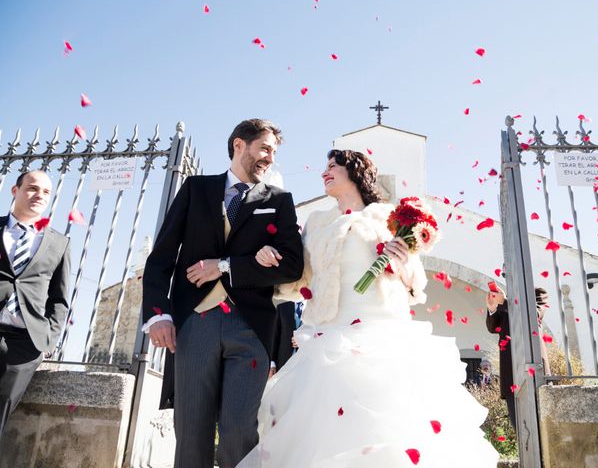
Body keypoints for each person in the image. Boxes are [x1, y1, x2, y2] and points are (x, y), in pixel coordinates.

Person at [237, 149, 498, 467]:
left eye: (333, 166)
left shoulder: (389, 219)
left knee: (388, 426)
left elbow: (416, 286)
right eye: (324, 167)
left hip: (381, 330)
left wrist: (401, 263)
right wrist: (270, 258)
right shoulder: (317, 222)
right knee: (324, 427)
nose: (325, 172)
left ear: (355, 172)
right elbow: (299, 277)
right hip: (329, 333)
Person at [141, 119, 304, 468]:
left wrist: (227, 265)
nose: (269, 158)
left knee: (240, 431)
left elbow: (291, 265)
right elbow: (162, 257)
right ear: (239, 145)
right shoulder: (195, 189)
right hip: (194, 324)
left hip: (251, 328)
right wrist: (159, 314)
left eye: (274, 152)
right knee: (191, 429)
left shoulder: (279, 200)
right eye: (264, 148)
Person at [0, 171, 71, 440]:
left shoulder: (59, 243)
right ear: (15, 190)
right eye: (32, 188)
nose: (39, 195)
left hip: (24, 345)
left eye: (45, 192)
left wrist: (48, 340)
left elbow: (59, 298)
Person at [486, 285, 551, 428]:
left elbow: (532, 316)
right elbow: (493, 327)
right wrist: (492, 308)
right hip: (511, 373)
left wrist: (505, 302)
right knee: (521, 431)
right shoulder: (505, 302)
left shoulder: (538, 293)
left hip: (534, 367)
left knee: (542, 426)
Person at [270, 301, 304, 375]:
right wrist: (272, 363)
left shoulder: (314, 308)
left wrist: (304, 340)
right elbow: (275, 336)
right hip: (283, 362)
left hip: (305, 363)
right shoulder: (282, 307)